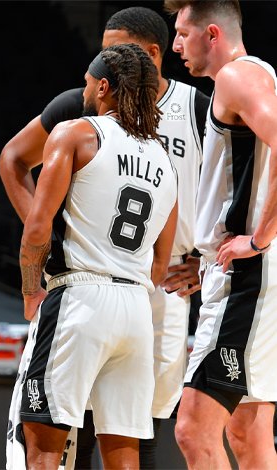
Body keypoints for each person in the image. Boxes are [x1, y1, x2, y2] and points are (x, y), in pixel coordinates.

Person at [1, 6, 209, 469]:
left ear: (101, 86)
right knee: (125, 452)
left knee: (41, 448)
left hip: (81, 295)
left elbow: (37, 227)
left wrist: (31, 285)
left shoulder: (78, 131)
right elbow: (159, 263)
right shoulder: (162, 157)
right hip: (139, 304)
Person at [165, 1, 277, 468]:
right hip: (245, 273)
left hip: (247, 278)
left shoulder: (237, 76)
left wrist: (258, 239)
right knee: (248, 434)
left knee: (193, 429)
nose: (175, 45)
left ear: (212, 33)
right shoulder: (252, 77)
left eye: (182, 33)